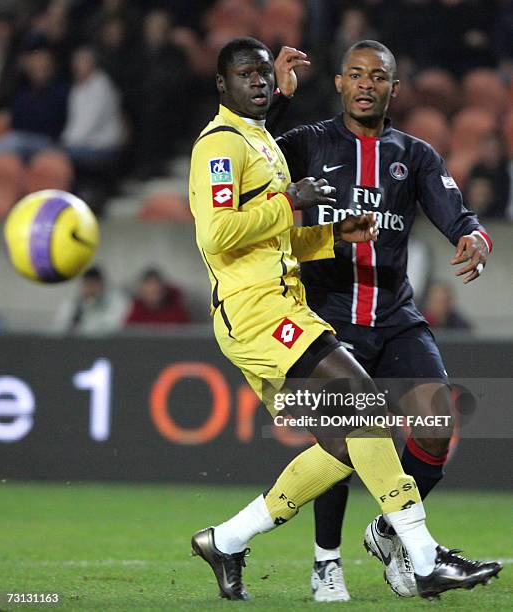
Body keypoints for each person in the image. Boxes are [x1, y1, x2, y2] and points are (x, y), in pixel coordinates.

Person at [188, 36, 500, 602]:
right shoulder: (251, 144)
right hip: (277, 311)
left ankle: (228, 539)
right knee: (363, 405)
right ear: (338, 82)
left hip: (358, 311)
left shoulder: (403, 153)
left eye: (376, 77)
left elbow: (276, 234)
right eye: (247, 75)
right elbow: (218, 231)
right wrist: (292, 196)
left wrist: (332, 233)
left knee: (344, 445)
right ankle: (406, 557)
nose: (365, 85)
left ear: (392, 87)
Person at [53, 265, 128, 335]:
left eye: (93, 284)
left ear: (102, 285)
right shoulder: (73, 302)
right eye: (87, 284)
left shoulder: (115, 301)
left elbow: (110, 327)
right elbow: (61, 325)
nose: (90, 289)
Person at [124, 267, 189, 326]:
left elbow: (185, 332)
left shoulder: (176, 308)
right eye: (150, 291)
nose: (154, 289)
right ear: (142, 290)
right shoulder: (137, 310)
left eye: (156, 291)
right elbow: (129, 332)